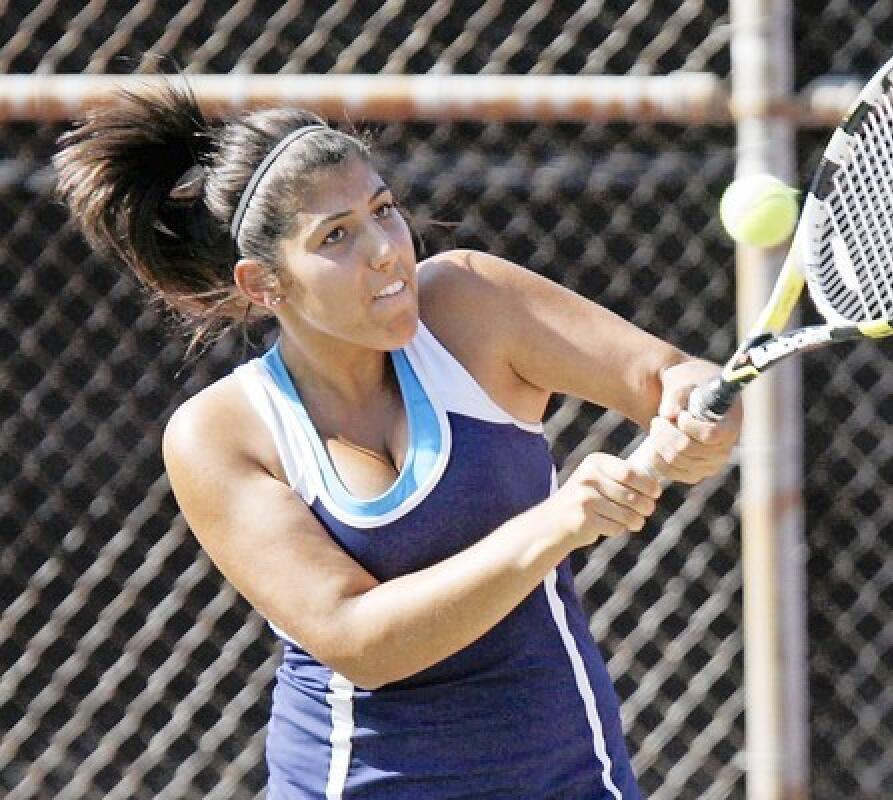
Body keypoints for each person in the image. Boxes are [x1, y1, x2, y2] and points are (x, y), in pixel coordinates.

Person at [54, 82, 739, 799]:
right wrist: (555, 525)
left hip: (570, 779)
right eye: (337, 236)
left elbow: (673, 377)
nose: (387, 251)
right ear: (264, 284)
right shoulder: (222, 433)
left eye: (384, 210)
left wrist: (701, 417)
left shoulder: (472, 304)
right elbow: (364, 644)